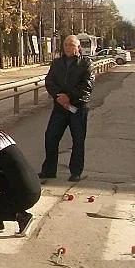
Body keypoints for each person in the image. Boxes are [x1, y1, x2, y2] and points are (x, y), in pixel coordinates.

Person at [38, 34, 94, 182]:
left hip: (78, 107)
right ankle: (49, 170)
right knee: (50, 137)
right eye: (66, 45)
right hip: (60, 108)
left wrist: (68, 97)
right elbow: (49, 81)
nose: (68, 48)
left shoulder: (86, 63)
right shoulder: (57, 63)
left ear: (78, 47)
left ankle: (75, 172)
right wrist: (59, 96)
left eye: (72, 45)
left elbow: (86, 86)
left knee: (78, 140)